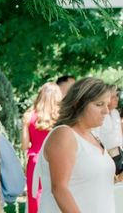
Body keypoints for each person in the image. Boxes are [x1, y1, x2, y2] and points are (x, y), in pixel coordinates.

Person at [36, 77, 115, 212]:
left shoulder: (94, 136)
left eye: (107, 105)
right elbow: (59, 188)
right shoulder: (64, 135)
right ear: (78, 103)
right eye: (99, 104)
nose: (106, 111)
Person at [22, 82, 62, 213]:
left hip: (35, 160)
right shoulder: (61, 118)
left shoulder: (29, 116)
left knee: (35, 195)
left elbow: (24, 144)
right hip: (56, 159)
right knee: (59, 192)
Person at [95, 84, 123, 175]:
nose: (117, 99)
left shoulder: (115, 113)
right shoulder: (99, 114)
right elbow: (96, 136)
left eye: (117, 96)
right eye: (113, 96)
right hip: (107, 156)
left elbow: (119, 133)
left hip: (120, 153)